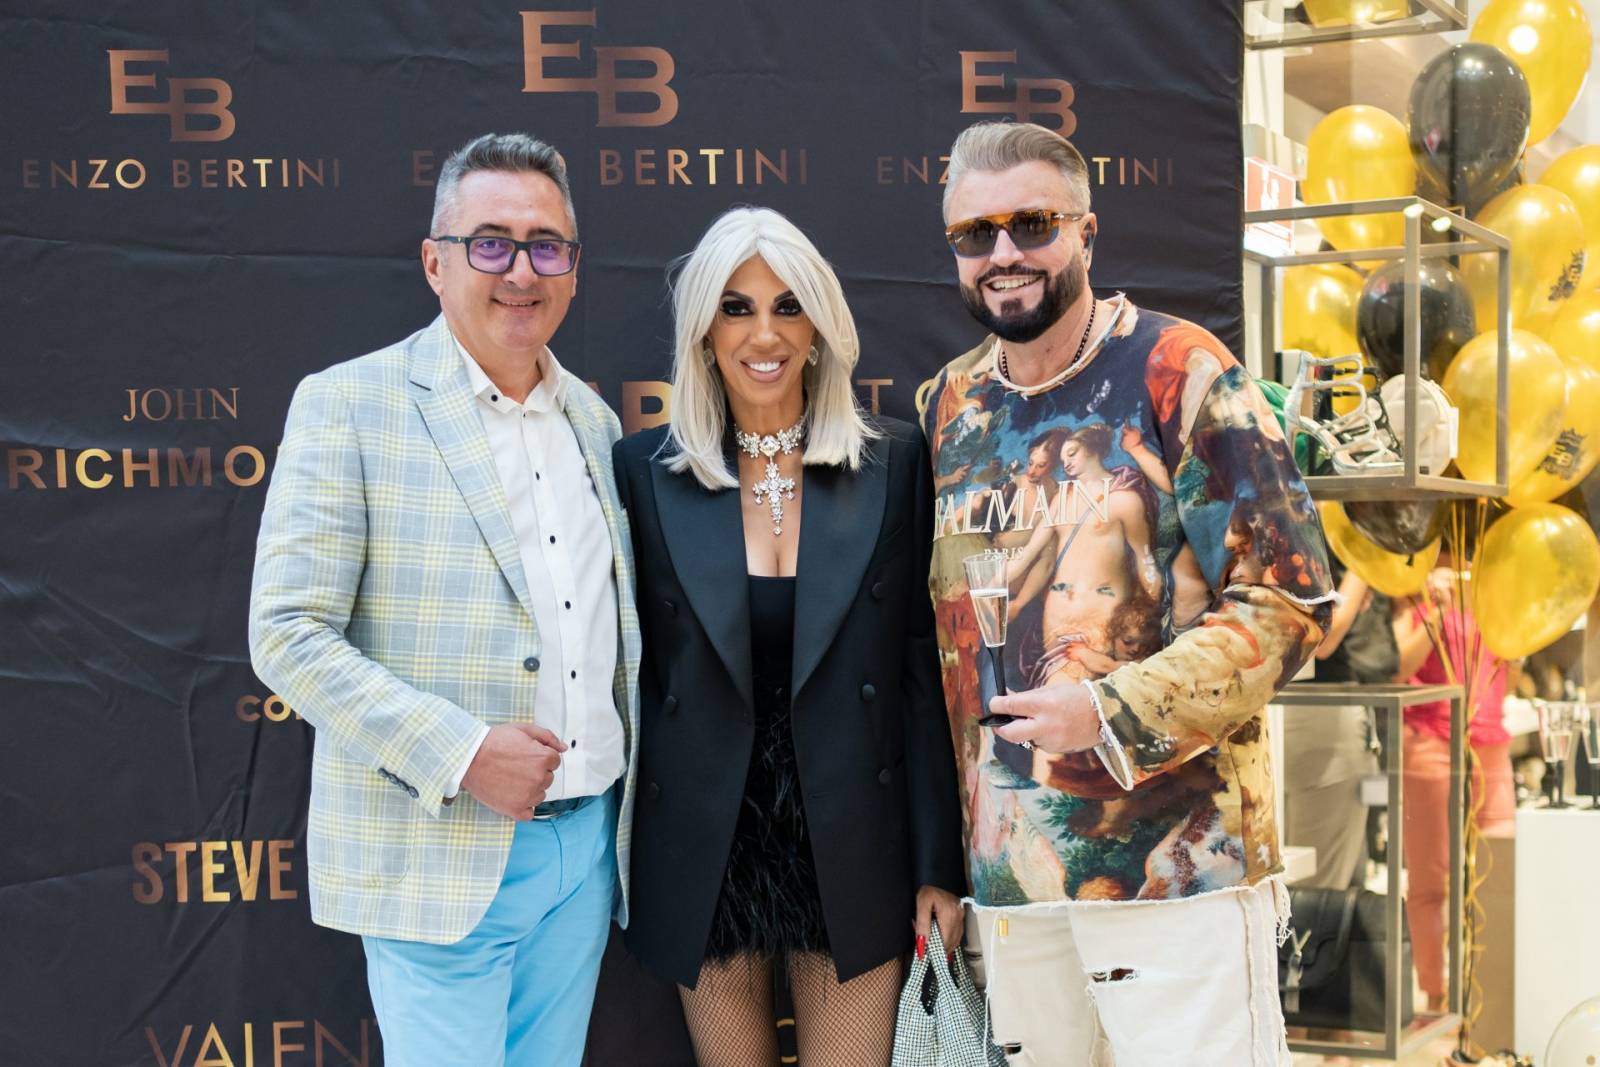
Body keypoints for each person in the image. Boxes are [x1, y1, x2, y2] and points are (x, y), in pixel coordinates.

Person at [919, 121, 1334, 1066]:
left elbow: (1288, 601)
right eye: (975, 234)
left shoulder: (1180, 370)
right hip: (1011, 881)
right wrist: (940, 858)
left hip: (1179, 876)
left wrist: (1110, 710)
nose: (1003, 253)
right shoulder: (948, 405)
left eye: (1032, 224)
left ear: (1086, 231)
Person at [248, 133, 639, 1067]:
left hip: (586, 852)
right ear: (435, 262)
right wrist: (462, 752)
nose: (521, 271)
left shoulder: (596, 422)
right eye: (490, 243)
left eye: (546, 246)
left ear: (575, 268)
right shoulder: (351, 404)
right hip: (440, 850)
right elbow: (288, 633)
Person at [613, 206, 966, 1066]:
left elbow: (919, 675)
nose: (763, 333)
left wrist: (937, 864)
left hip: (855, 837)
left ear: (820, 325)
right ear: (703, 331)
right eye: (735, 307)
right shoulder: (643, 471)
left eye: (787, 305)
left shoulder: (895, 463)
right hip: (702, 846)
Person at [1393, 564, 1513, 1014]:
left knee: (1501, 868)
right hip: (1430, 740)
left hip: (1490, 742)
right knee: (1430, 876)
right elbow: (1398, 667)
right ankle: (1435, 995)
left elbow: (1509, 672)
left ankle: (1493, 995)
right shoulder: (1415, 599)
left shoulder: (1496, 600)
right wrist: (1438, 613)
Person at [1281, 563, 1393, 891]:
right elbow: (1324, 639)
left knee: (1291, 881)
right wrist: (1361, 571)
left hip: (1286, 708)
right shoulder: (1330, 545)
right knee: (1319, 888)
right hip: (1321, 716)